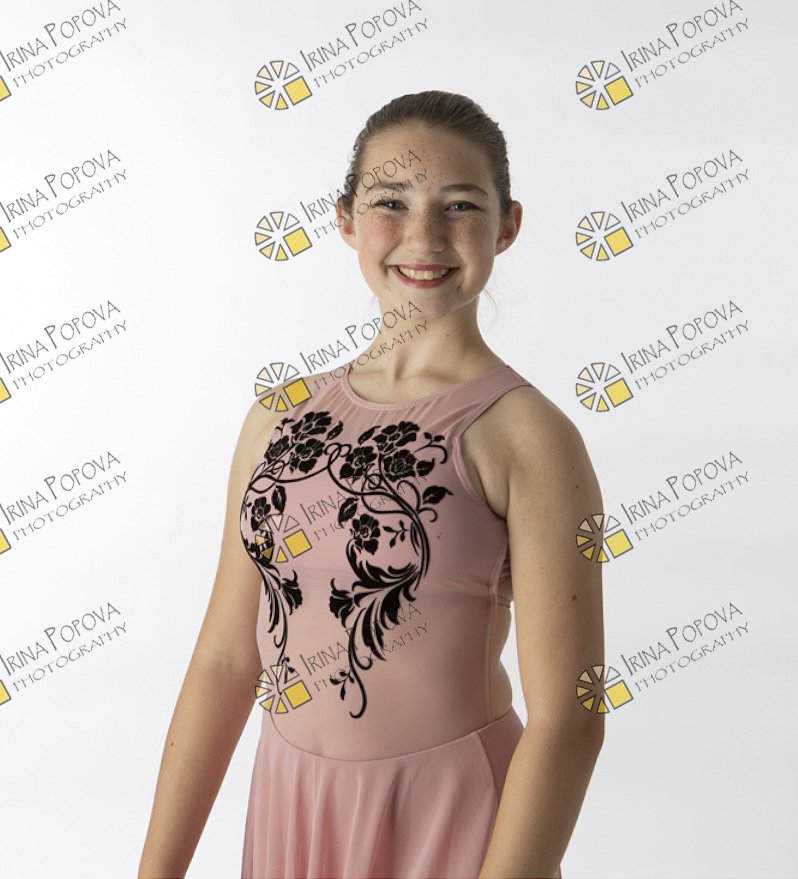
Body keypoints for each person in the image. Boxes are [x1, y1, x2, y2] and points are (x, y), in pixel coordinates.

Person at [138, 90, 605, 879]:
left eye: (460, 204)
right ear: (347, 219)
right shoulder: (279, 415)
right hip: (291, 802)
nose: (424, 236)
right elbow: (224, 658)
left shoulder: (527, 435)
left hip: (450, 821)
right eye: (392, 202)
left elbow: (571, 715)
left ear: (508, 225)